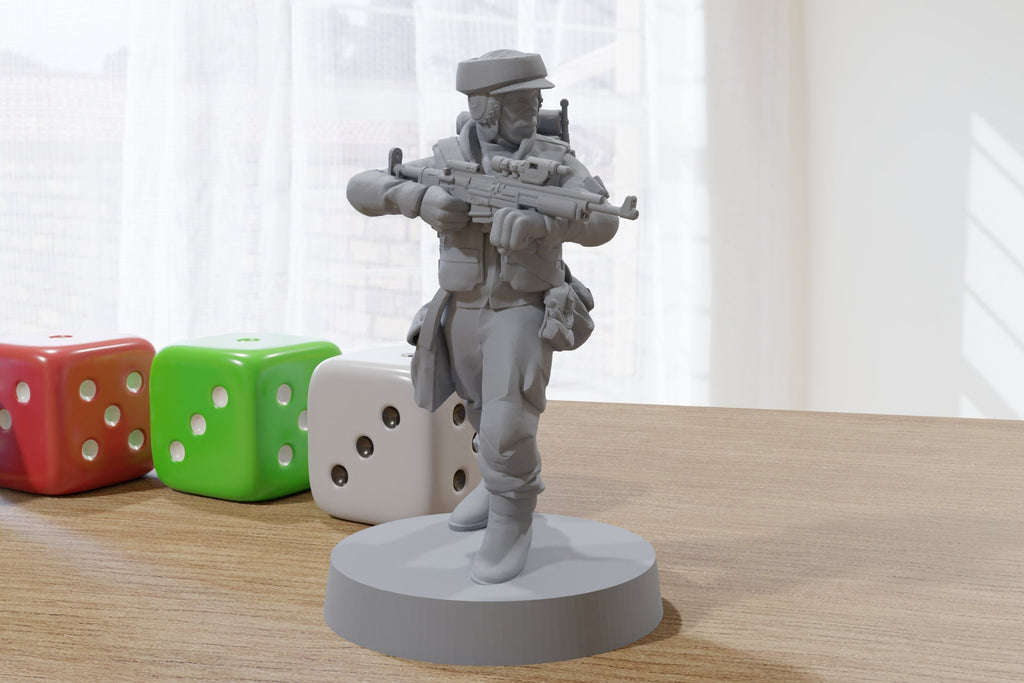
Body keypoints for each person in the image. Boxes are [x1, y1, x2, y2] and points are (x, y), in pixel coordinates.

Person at [346, 49, 619, 583]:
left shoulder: (554, 161)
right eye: (520, 101)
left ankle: (513, 514)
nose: (533, 108)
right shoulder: (447, 157)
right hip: (460, 308)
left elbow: (603, 219)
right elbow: (361, 186)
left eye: (535, 98)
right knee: (477, 407)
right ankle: (494, 487)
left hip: (521, 309)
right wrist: (415, 198)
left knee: (508, 422)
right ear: (485, 108)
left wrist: (543, 225)